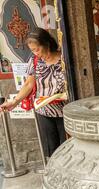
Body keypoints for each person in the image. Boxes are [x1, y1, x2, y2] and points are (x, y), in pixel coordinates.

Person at [0, 28, 67, 158]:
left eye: (37, 49)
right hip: (44, 110)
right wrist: (15, 101)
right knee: (51, 150)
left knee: (68, 148)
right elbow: (29, 84)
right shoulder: (35, 61)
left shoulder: (63, 59)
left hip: (65, 110)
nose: (35, 53)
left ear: (47, 44)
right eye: (32, 50)